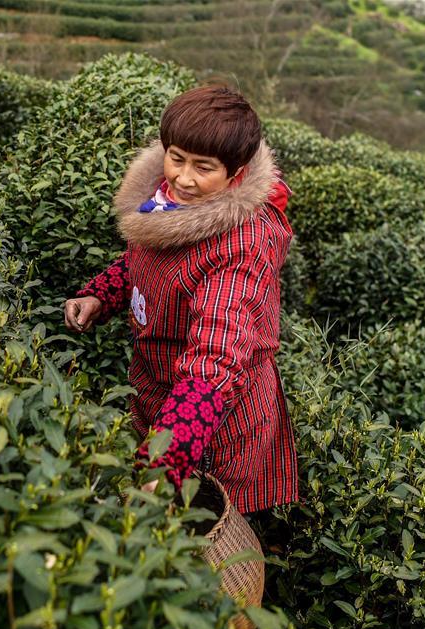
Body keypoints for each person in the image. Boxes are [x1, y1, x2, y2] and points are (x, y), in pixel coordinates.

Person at [63, 86, 298, 518]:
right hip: (157, 388)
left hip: (211, 421)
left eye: (203, 167)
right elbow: (145, 260)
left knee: (201, 529)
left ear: (236, 173)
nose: (183, 178)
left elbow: (216, 357)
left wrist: (169, 454)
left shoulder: (240, 247)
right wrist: (102, 293)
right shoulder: (166, 204)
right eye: (176, 158)